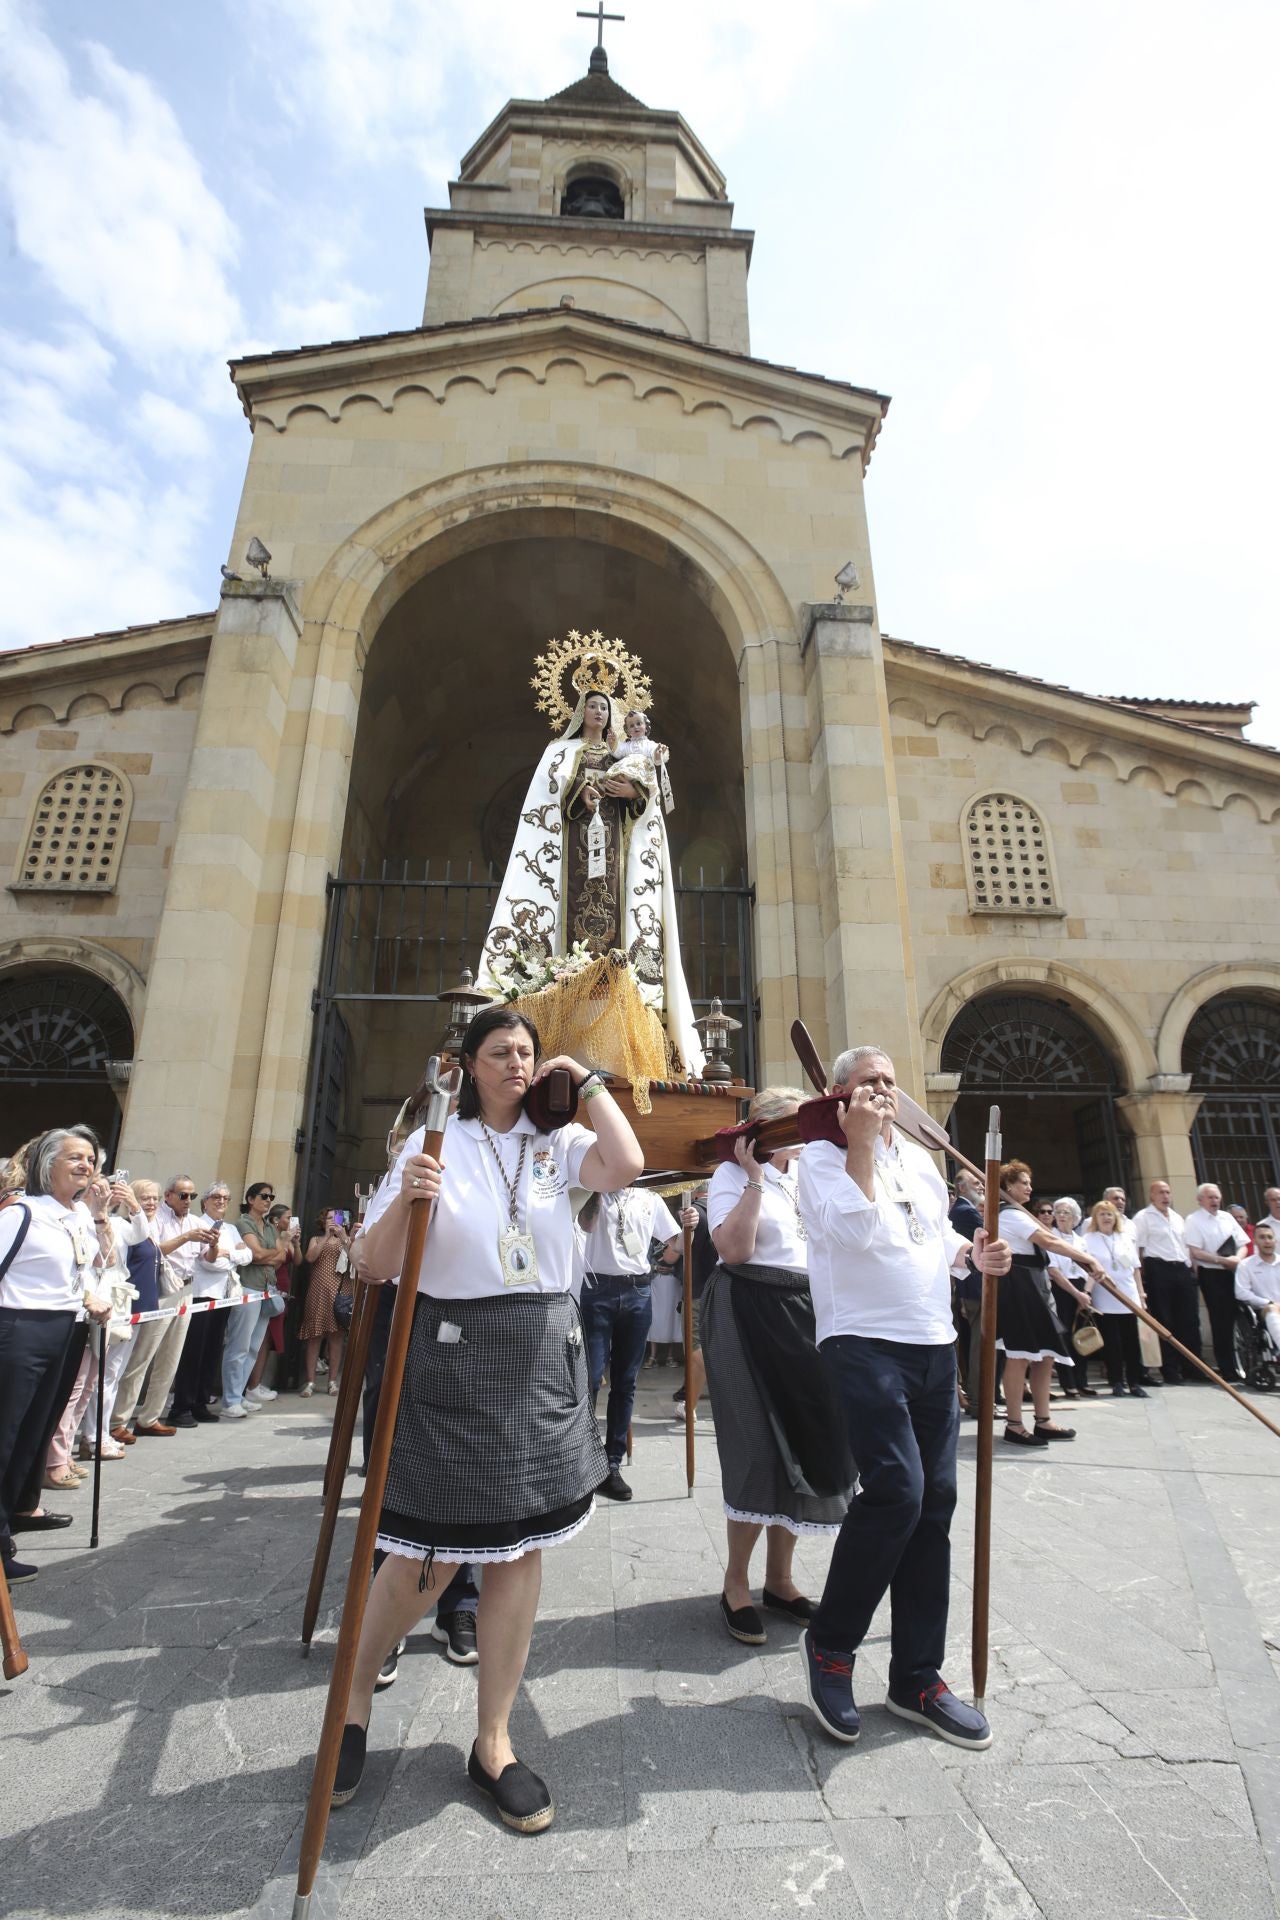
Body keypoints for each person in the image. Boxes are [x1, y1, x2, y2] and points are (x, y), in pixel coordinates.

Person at [330, 1005, 643, 1828]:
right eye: (501, 1052)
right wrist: (408, 1200)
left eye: (528, 1054)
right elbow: (371, 1262)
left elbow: (628, 1162)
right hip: (449, 1353)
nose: (518, 1064)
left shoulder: (559, 1142)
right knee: (421, 1557)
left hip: (540, 1356)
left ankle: (493, 1741)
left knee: (519, 1552)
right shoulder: (433, 1140)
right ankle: (354, 1697)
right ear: (467, 1064)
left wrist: (583, 1079)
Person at [796, 1044, 1012, 1752]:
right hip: (861, 1340)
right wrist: (857, 1145)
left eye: (890, 1081)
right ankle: (831, 1645)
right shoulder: (820, 1157)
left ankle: (916, 1676)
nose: (884, 1091)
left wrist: (971, 1254)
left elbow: (928, 1231)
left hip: (931, 1340)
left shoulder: (919, 1158)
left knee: (936, 1503)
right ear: (840, 1095)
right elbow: (854, 1231)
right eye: (869, 1082)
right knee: (896, 1491)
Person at [478, 664, 703, 1077]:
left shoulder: (623, 753)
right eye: (593, 706)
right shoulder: (560, 752)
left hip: (617, 859)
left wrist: (634, 791)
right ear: (580, 711)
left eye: (605, 707)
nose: (599, 712)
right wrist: (577, 793)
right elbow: (547, 796)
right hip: (572, 855)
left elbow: (646, 804)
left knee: (618, 922)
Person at [703, 1089, 855, 1645]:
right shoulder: (730, 1176)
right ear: (764, 1131)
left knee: (806, 1441)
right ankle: (736, 1583)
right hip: (747, 1309)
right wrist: (751, 1178)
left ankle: (780, 1580)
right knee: (758, 1447)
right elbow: (734, 1250)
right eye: (787, 1129)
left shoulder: (808, 1175)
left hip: (807, 1312)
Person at [0, 1130, 112, 1586]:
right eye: (74, 1158)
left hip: (63, 1329)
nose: (86, 1164)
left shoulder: (78, 1216)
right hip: (19, 1329)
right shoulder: (21, 1213)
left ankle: (14, 1511)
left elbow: (82, 1269)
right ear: (48, 1164)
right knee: (5, 1434)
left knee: (34, 1431)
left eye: (90, 1158)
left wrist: (89, 1296)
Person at [579, 1181, 684, 1499]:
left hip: (638, 1290)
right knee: (592, 1377)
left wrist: (692, 1227)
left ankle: (612, 1463)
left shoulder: (650, 1198)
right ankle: (582, 1458)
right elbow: (586, 1224)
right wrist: (596, 1187)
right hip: (599, 1289)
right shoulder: (593, 1191)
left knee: (626, 1382)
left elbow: (675, 1241)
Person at [996, 1163, 1099, 1445]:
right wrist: (1087, 1258)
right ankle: (1015, 1424)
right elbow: (1048, 1240)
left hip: (1036, 1284)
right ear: (1007, 1186)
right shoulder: (1010, 1215)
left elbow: (1048, 1241)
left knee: (1046, 1353)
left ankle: (1043, 1420)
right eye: (1023, 1183)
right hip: (1020, 1287)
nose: (1029, 1187)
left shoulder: (1020, 1213)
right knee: (1020, 1354)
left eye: (1029, 1182)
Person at [168, 1184, 248, 1426]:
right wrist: (231, 1256)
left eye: (225, 1197)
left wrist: (229, 1255)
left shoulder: (232, 1228)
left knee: (212, 1350)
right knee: (193, 1351)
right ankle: (182, 1405)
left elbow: (248, 1256)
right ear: (205, 1201)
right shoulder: (196, 1223)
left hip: (223, 1295)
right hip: (201, 1295)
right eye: (216, 1197)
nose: (221, 1201)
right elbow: (210, 1264)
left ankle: (201, 1402)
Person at [81, 1176, 149, 1457]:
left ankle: (98, 1434)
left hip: (115, 1300)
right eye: (101, 1187)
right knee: (87, 1378)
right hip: (91, 1299)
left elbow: (141, 1233)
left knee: (110, 1373)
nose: (108, 1193)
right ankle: (90, 1437)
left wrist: (134, 1204)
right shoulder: (81, 1218)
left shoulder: (119, 1224)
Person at [112, 1179, 184, 1439]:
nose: (151, 1203)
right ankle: (115, 1421)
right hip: (130, 1304)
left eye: (154, 1198)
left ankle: (144, 1418)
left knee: (161, 1361)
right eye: (145, 1198)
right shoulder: (125, 1226)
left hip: (157, 1298)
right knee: (130, 1364)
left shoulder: (149, 1225)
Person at [222, 1181, 287, 1417]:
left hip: (266, 1288)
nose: (268, 1200)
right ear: (250, 1199)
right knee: (238, 1345)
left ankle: (238, 1394)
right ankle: (230, 1400)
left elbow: (279, 1258)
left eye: (271, 1196)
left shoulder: (269, 1227)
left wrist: (264, 1255)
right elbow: (255, 1255)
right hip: (248, 1287)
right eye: (263, 1196)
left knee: (253, 1346)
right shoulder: (243, 1223)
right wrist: (268, 1254)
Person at [1132, 1180, 1200, 1383]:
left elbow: (1185, 1246)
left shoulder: (1178, 1218)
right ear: (1152, 1195)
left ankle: (1192, 1366)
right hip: (1158, 1269)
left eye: (1168, 1192)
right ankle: (1170, 1369)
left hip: (1181, 1268)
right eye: (1161, 1192)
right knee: (1165, 1320)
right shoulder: (1143, 1217)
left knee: (1189, 1320)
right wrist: (1142, 1279)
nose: (1165, 1196)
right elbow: (1139, 1251)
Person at [1081, 1199, 1149, 1394]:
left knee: (1132, 1342)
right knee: (1112, 1343)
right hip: (1106, 1296)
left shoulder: (1124, 1238)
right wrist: (1087, 1291)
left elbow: (1135, 1268)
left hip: (1128, 1295)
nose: (1106, 1218)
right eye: (1102, 1214)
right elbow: (1089, 1268)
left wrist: (1141, 1294)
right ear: (1095, 1218)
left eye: (1109, 1214)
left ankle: (1134, 1382)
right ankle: (1116, 1381)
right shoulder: (1089, 1239)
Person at [1185, 1182, 1249, 1381]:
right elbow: (1195, 1251)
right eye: (1210, 1197)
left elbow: (1244, 1243)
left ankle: (1246, 1363)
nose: (1214, 1201)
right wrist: (1222, 1260)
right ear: (1200, 1200)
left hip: (1234, 1271)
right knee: (1221, 1321)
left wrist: (1237, 1258)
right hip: (1212, 1274)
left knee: (1242, 1315)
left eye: (1217, 1197)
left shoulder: (1227, 1217)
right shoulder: (1193, 1220)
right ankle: (1227, 1367)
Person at [1045, 1197, 1097, 1397]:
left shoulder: (1080, 1240)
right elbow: (1054, 1271)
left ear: (1075, 1217)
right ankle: (1069, 1383)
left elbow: (1092, 1267)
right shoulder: (1051, 1237)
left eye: (1066, 1212)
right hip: (1062, 1289)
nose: (1061, 1216)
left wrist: (1087, 1292)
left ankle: (1082, 1380)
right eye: (1058, 1212)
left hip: (1082, 1289)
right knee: (1065, 1336)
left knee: (1083, 1336)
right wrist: (1075, 1293)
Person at [298, 1208, 353, 1396]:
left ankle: (332, 1381)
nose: (332, 1221)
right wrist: (326, 1237)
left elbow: (355, 1257)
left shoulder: (346, 1240)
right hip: (319, 1291)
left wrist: (343, 1235)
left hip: (340, 1291)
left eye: (335, 1218)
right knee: (314, 1336)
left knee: (336, 1338)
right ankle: (311, 1382)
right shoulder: (315, 1239)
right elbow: (310, 1257)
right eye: (329, 1218)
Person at [947, 1169, 987, 1414]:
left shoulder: (965, 1210)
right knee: (979, 1345)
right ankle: (979, 1399)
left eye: (982, 1182)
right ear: (961, 1188)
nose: (981, 1186)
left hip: (970, 1286)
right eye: (976, 1182)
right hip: (972, 1287)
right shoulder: (965, 1211)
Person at [1236, 1223, 1280, 1350]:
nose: (1267, 1241)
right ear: (1255, 1241)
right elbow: (1241, 1292)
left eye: (1269, 1237)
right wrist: (1268, 1303)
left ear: (1275, 1240)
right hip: (1263, 1310)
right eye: (1262, 1237)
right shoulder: (1245, 1266)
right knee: (1272, 1310)